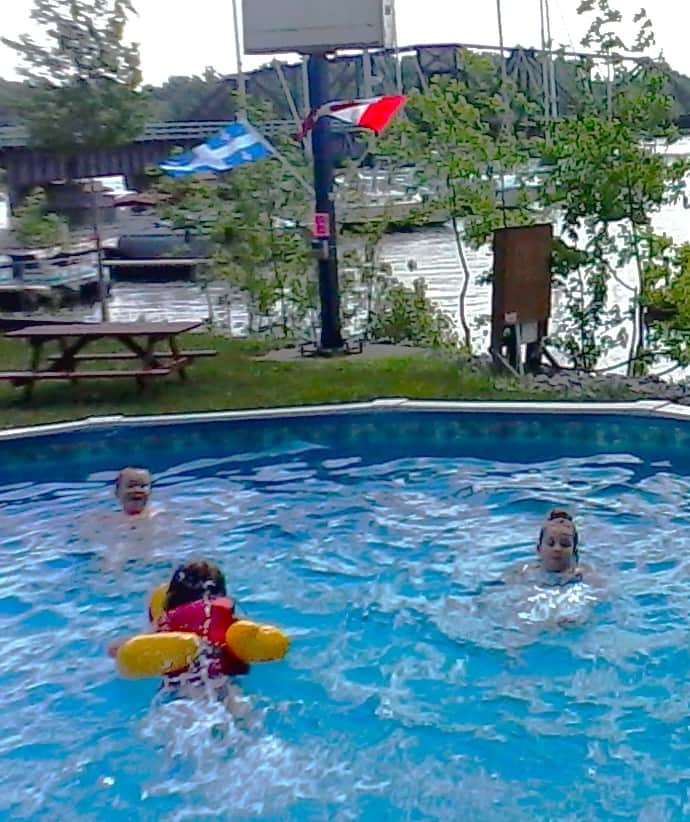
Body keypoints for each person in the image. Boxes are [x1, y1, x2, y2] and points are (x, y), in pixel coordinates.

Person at [109, 560, 250, 681]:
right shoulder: (229, 621)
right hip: (224, 686)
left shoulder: (167, 624)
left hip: (178, 692)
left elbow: (116, 649)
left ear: (172, 596)